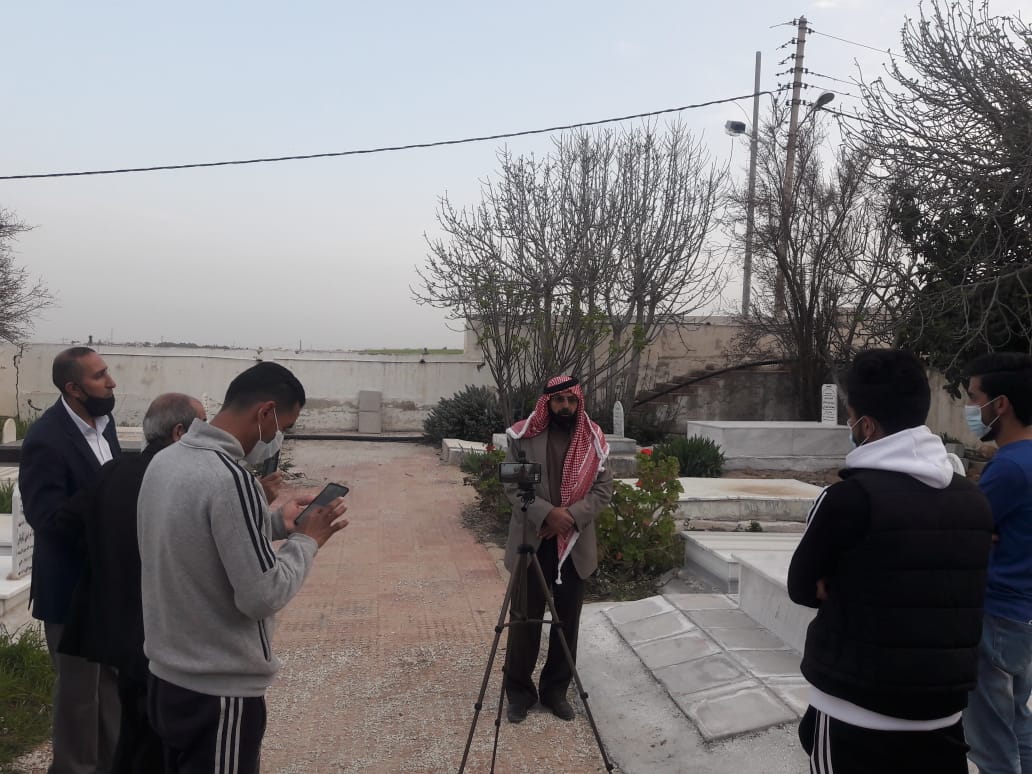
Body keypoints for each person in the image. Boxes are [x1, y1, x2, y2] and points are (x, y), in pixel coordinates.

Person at [787, 349, 993, 773]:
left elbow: (803, 587)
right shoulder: (973, 500)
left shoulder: (847, 499)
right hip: (943, 713)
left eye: (850, 417)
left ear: (866, 425)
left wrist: (841, 583)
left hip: (854, 710)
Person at [137, 362, 349, 774]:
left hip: (166, 676)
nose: (278, 438)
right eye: (285, 425)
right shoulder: (230, 477)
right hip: (218, 691)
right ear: (265, 412)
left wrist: (275, 523)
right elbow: (262, 595)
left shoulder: (165, 461)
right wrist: (308, 540)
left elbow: (196, 537)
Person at [57, 393, 207, 774]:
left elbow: (67, 522)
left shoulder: (115, 471)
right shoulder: (180, 481)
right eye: (203, 427)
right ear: (179, 433)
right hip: (164, 635)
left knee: (131, 731)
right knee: (157, 738)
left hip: (116, 630)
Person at [19, 346, 122, 774]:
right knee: (79, 696)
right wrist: (105, 493)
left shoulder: (105, 426)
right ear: (73, 388)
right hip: (70, 590)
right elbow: (45, 519)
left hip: (108, 585)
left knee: (111, 687)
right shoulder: (46, 438)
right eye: (100, 376)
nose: (111, 382)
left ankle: (113, 764)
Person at [502, 375, 613, 723]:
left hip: (574, 545)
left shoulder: (593, 440)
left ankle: (555, 692)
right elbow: (513, 486)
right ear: (547, 403)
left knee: (567, 623)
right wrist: (548, 514)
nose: (565, 406)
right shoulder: (523, 436)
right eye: (558, 400)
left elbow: (603, 490)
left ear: (579, 402)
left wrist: (569, 518)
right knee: (523, 620)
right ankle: (519, 693)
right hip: (532, 542)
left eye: (571, 400)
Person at [961, 353, 1032, 774]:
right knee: (1017, 723)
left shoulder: (1008, 467)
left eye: (974, 398)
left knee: (990, 742)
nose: (971, 408)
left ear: (1000, 404)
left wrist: (971, 530)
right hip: (1021, 614)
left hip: (996, 617)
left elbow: (966, 531)